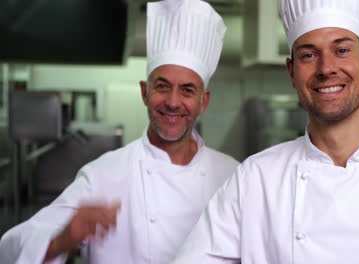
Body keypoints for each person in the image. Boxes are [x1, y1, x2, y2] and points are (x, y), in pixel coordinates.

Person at [171, 0, 359, 263]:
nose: (326, 68)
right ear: (291, 72)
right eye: (308, 55)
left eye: (341, 50)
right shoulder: (255, 180)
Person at [0, 0, 239, 263]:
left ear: (203, 101)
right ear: (144, 93)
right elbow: (13, 248)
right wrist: (64, 239)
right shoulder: (103, 175)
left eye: (187, 90)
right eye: (162, 86)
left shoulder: (233, 177)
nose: (172, 102)